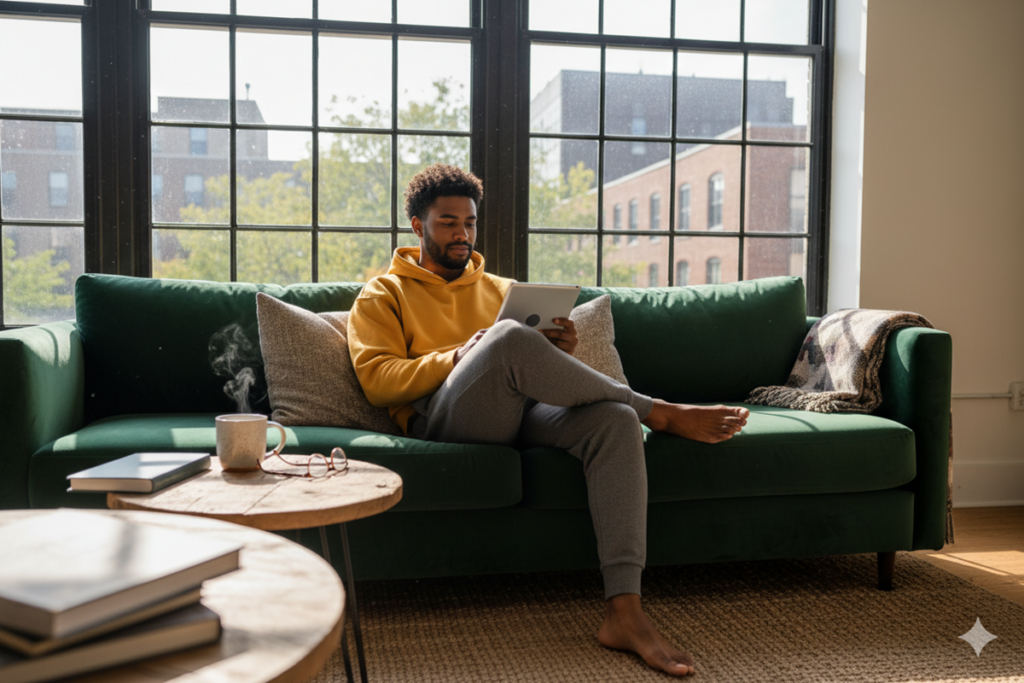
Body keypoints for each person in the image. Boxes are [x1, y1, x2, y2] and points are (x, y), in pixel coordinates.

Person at [348, 164, 749, 677]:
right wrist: (460, 355)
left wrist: (561, 349)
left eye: (469, 222)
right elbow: (379, 381)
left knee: (613, 422)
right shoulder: (383, 293)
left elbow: (526, 363)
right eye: (448, 222)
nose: (462, 234)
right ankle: (660, 412)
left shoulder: (500, 288)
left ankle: (624, 611)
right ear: (416, 225)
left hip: (522, 412)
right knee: (508, 339)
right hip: (444, 420)